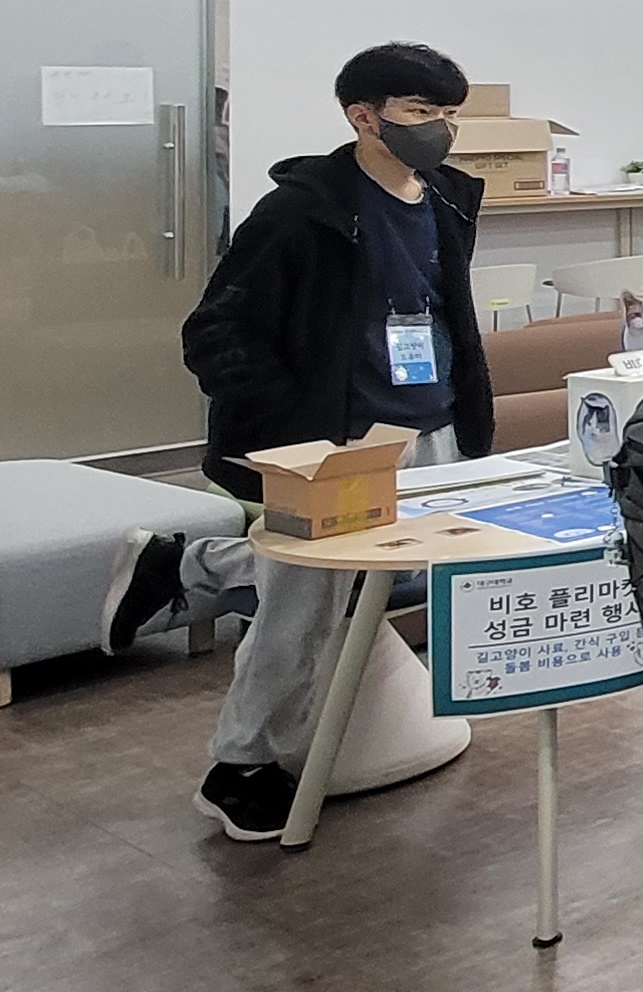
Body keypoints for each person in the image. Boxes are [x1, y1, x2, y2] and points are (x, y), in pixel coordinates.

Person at [109, 42, 497, 843]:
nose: (440, 129)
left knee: (389, 571)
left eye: (449, 114)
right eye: (421, 112)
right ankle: (239, 768)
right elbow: (214, 332)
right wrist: (296, 432)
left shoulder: (449, 198)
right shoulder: (301, 211)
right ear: (364, 117)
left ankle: (189, 566)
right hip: (333, 443)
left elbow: (439, 311)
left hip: (431, 423)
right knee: (301, 604)